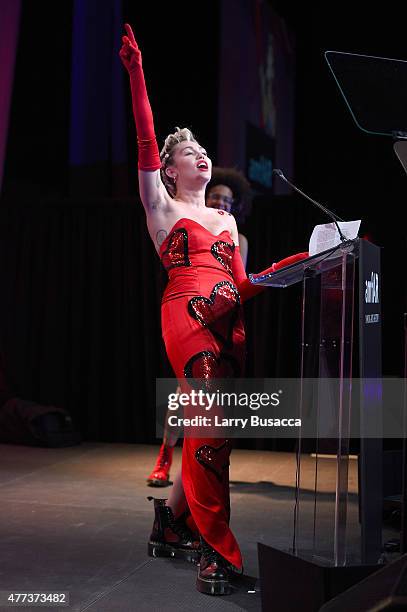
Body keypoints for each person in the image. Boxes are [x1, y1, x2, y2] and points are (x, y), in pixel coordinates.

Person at [119, 24, 307, 596]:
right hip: (185, 318)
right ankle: (217, 554)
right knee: (211, 430)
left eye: (202, 149)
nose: (198, 155)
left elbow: (238, 285)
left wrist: (288, 270)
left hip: (225, 324)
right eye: (186, 152)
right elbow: (147, 140)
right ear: (170, 169)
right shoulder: (160, 206)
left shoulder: (226, 222)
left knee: (210, 434)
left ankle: (171, 521)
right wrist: (136, 73)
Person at [146, 167, 253, 488]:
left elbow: (238, 281)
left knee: (209, 401)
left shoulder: (237, 235)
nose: (221, 202)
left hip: (223, 316)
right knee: (185, 393)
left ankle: (196, 468)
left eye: (227, 200)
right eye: (216, 197)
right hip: (191, 314)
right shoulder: (181, 219)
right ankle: (166, 456)